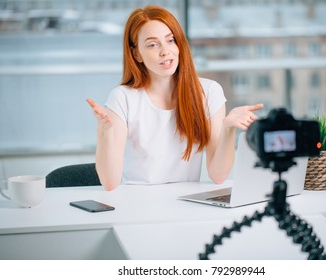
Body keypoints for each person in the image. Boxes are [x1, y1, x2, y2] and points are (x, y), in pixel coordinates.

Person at [87, 5, 263, 191]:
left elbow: (218, 176)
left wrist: (228, 128)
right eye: (153, 44)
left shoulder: (209, 92)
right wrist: (104, 132)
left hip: (185, 205)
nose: (165, 51)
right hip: (137, 203)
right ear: (137, 53)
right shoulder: (123, 97)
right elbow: (110, 183)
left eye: (170, 40)